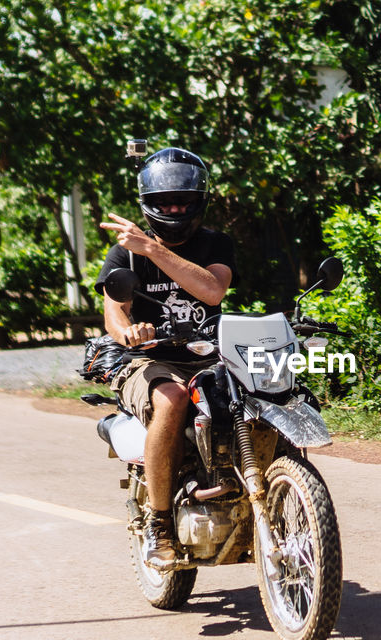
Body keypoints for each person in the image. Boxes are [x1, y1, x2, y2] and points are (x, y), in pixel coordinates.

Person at [95, 147, 236, 571]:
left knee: (261, 394)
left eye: (183, 201)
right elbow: (113, 313)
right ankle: (158, 526)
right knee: (172, 400)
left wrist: (155, 250)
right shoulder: (126, 254)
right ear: (149, 203)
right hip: (148, 361)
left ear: (199, 201)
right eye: (166, 202)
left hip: (209, 355)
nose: (175, 208)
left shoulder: (215, 243)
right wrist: (129, 333)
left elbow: (212, 290)